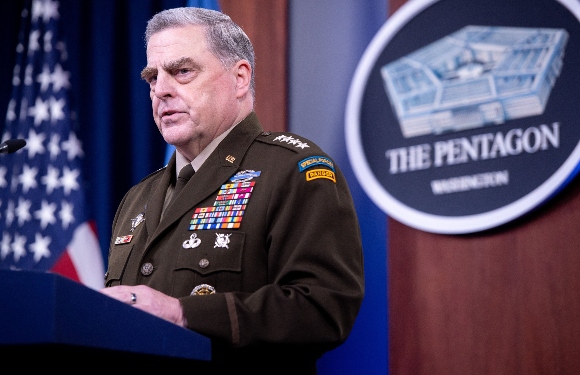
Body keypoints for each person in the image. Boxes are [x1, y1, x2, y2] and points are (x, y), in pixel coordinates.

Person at [100, 7, 364, 374]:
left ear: (240, 78)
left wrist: (181, 313)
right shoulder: (137, 199)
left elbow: (323, 309)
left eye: (182, 71)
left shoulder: (292, 170)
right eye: (152, 77)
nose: (160, 90)